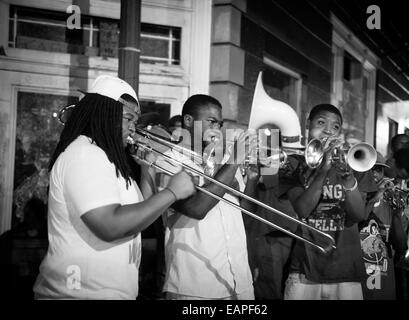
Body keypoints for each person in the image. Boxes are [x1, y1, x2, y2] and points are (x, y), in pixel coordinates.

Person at [33, 75, 196, 299]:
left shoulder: (106, 158)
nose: (133, 129)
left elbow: (139, 217)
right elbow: (110, 225)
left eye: (135, 121)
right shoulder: (85, 154)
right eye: (128, 119)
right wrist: (171, 192)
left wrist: (147, 170)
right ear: (104, 114)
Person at [156, 94, 254, 300]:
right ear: (189, 121)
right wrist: (234, 161)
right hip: (194, 285)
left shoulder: (225, 159)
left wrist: (252, 176)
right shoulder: (169, 161)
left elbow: (247, 208)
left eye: (219, 123)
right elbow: (196, 209)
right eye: (211, 121)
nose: (217, 129)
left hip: (239, 281)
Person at [283, 103, 367, 300]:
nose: (328, 130)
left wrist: (348, 179)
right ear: (308, 124)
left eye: (335, 127)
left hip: (346, 270)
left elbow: (357, 215)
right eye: (321, 123)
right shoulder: (293, 164)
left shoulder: (354, 165)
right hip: (304, 268)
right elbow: (302, 209)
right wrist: (324, 170)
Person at [241, 126, 297, 300]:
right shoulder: (261, 164)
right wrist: (252, 176)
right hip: (262, 234)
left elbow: (271, 182)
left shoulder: (291, 162)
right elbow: (248, 203)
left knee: (270, 290)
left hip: (276, 234)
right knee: (265, 288)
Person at [358, 152, 408, 300]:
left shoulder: (389, 200)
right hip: (356, 270)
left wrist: (397, 215)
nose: (374, 173)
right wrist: (374, 199)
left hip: (381, 271)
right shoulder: (352, 197)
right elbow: (355, 223)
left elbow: (400, 245)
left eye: (378, 169)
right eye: (369, 168)